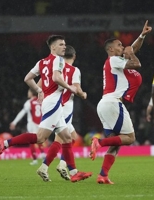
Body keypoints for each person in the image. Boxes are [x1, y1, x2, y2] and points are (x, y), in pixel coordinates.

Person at [0, 35, 92, 182]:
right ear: (53, 47)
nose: (64, 47)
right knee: (40, 137)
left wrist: (39, 91)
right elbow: (56, 78)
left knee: (67, 138)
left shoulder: (41, 62)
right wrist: (70, 87)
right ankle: (5, 143)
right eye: (61, 44)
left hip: (51, 101)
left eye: (65, 44)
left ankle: (74, 173)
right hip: (53, 102)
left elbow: (27, 78)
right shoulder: (58, 60)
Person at [90, 20, 152, 184]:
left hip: (104, 103)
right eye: (119, 45)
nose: (122, 46)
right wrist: (130, 52)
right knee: (130, 138)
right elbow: (137, 63)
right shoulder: (114, 60)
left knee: (116, 143)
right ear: (111, 49)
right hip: (113, 103)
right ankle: (99, 142)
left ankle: (103, 175)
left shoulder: (115, 62)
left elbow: (132, 49)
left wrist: (141, 36)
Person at [52, 45, 87, 180]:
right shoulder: (74, 70)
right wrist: (83, 94)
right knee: (60, 139)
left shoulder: (56, 69)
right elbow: (77, 89)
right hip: (65, 107)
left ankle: (63, 164)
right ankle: (45, 166)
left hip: (55, 104)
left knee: (72, 137)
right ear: (74, 56)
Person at [9, 89, 46, 165]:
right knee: (39, 139)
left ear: (32, 93)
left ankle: (35, 160)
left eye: (28, 92)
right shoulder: (42, 101)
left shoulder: (29, 102)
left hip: (32, 124)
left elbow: (22, 113)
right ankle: (43, 156)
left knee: (31, 140)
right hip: (41, 123)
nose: (27, 93)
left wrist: (14, 122)